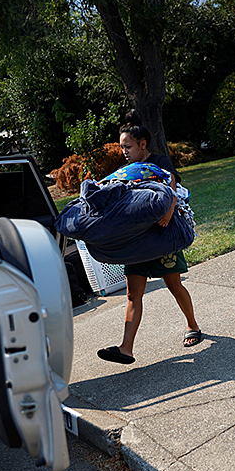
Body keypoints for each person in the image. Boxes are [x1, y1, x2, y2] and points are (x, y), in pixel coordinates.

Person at [97, 110, 202, 364]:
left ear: (142, 144)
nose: (124, 151)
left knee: (174, 285)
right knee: (133, 295)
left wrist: (167, 212)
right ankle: (126, 349)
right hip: (136, 241)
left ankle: (193, 326)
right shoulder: (127, 170)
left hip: (162, 237)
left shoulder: (160, 162)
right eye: (122, 147)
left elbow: (171, 190)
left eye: (128, 146)